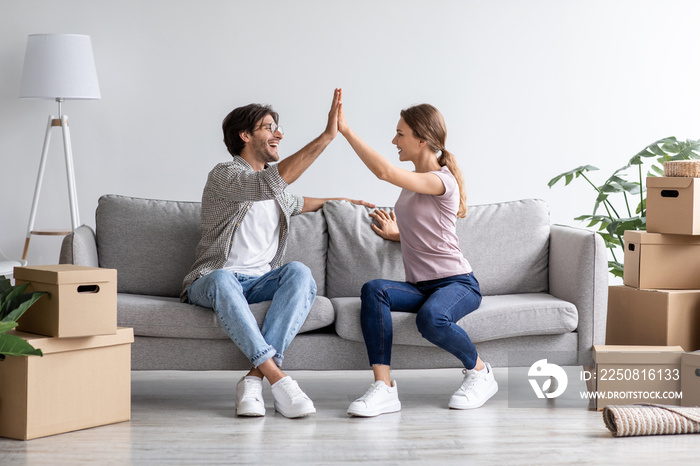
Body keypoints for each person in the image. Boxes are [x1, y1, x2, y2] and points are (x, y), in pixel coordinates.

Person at [181, 89, 372, 419]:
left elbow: (300, 202)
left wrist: (344, 202)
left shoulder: (279, 197)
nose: (278, 133)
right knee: (224, 278)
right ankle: (280, 380)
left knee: (299, 272)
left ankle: (254, 381)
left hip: (257, 283)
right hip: (211, 282)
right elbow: (267, 184)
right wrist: (327, 137)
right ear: (245, 135)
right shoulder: (225, 176)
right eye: (269, 127)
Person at [336, 91, 498, 417]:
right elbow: (428, 226)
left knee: (431, 318)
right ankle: (384, 388)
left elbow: (383, 172)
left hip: (458, 284)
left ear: (422, 139)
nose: (394, 139)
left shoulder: (442, 180)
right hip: (421, 286)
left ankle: (480, 373)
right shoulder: (413, 183)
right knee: (375, 289)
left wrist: (345, 130)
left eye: (400, 133)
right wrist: (399, 235)